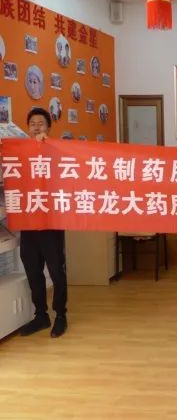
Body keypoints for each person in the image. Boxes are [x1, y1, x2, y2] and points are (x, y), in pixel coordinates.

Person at [19, 107, 68, 338]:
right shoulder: (19, 153)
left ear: (49, 127)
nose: (36, 127)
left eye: (41, 123)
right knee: (33, 271)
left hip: (51, 222)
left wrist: (45, 147)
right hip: (28, 222)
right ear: (27, 128)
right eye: (32, 124)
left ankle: (60, 315)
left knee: (57, 271)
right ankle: (41, 315)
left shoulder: (57, 151)